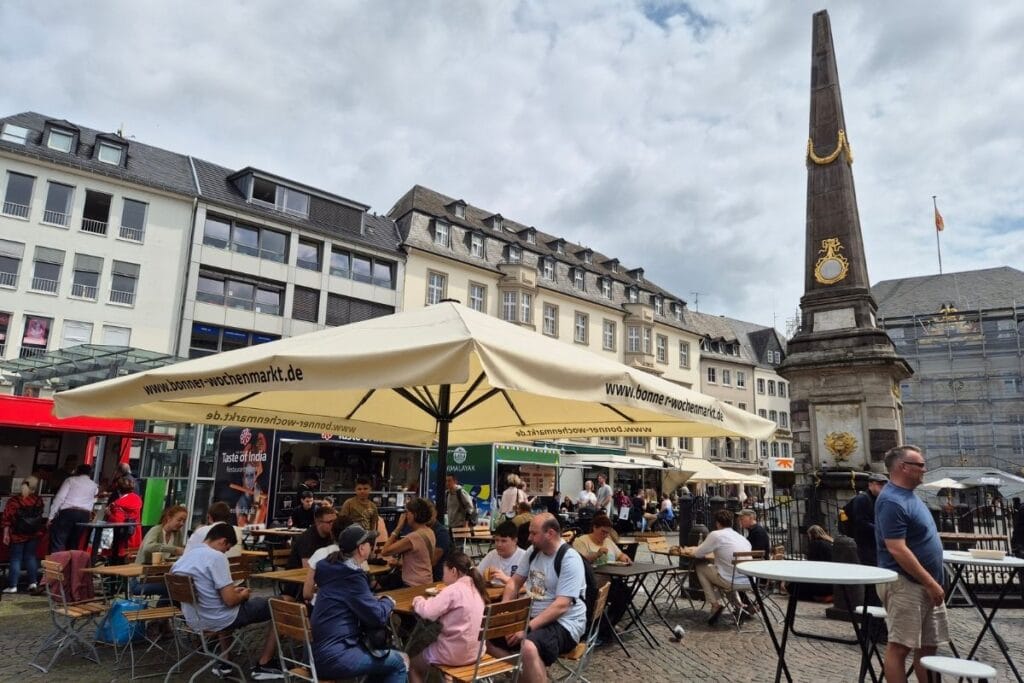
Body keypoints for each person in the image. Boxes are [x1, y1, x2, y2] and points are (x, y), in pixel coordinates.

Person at [170, 523, 285, 680]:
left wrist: (231, 593)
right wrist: (243, 595)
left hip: (193, 619)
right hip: (219, 619)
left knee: (228, 606)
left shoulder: (183, 559)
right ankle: (265, 664)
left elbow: (204, 591)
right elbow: (230, 601)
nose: (226, 552)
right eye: (227, 548)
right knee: (282, 605)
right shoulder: (216, 557)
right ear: (223, 541)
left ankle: (225, 662)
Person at [875, 445, 948, 683]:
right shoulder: (892, 501)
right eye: (920, 465)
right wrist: (929, 582)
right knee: (900, 647)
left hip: (926, 584)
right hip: (906, 583)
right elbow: (897, 548)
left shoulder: (910, 496)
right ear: (903, 467)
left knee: (929, 646)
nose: (924, 469)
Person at [489, 513, 586, 682]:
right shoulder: (533, 551)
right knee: (484, 635)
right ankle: (522, 674)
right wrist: (504, 612)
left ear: (550, 533)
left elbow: (561, 605)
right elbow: (514, 582)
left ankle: (528, 673)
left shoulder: (569, 558)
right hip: (533, 616)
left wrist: (526, 629)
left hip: (565, 623)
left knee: (528, 646)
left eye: (534, 533)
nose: (529, 537)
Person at [310, 524, 408, 682]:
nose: (372, 545)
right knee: (399, 662)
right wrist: (388, 601)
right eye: (370, 542)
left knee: (382, 661)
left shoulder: (330, 569)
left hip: (316, 653)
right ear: (362, 548)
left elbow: (354, 601)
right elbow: (377, 616)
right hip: (337, 655)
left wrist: (371, 601)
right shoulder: (351, 577)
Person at [409, 551, 488, 683]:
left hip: (454, 654)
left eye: (444, 570)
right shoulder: (477, 587)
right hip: (477, 652)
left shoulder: (454, 590)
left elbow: (428, 612)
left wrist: (418, 600)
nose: (442, 575)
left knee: (413, 666)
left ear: (453, 571)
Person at [685, 509, 752, 625]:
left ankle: (715, 604)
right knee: (722, 571)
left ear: (717, 523)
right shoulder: (741, 537)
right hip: (749, 581)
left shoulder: (716, 535)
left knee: (701, 567)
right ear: (731, 522)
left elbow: (699, 554)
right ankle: (739, 605)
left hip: (731, 580)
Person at [572, 513, 630, 638]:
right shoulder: (581, 541)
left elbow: (620, 554)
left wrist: (624, 557)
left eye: (607, 533)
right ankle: (601, 628)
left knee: (625, 592)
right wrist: (596, 554)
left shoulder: (608, 541)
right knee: (604, 595)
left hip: (608, 581)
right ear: (594, 528)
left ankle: (608, 625)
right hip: (591, 584)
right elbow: (580, 561)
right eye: (602, 532)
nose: (604, 535)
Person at [379, 497, 437, 587]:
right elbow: (420, 560)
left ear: (414, 515)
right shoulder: (430, 531)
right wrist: (399, 564)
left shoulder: (414, 537)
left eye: (407, 512)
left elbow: (384, 551)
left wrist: (398, 527)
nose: (405, 516)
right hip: (426, 581)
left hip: (413, 584)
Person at [2, 475, 45, 593]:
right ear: (35, 488)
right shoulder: (38, 500)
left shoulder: (14, 501)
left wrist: (5, 533)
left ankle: (13, 586)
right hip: (34, 533)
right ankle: (33, 583)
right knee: (31, 557)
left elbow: (7, 518)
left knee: (16, 559)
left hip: (17, 534)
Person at [47, 464, 98, 553]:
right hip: (84, 515)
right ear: (90, 473)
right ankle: (71, 565)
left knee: (58, 541)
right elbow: (93, 498)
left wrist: (51, 516)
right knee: (74, 543)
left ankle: (56, 564)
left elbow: (59, 498)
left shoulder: (70, 480)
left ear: (77, 471)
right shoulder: (94, 485)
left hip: (68, 513)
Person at [846, 472, 888, 566]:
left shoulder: (879, 498)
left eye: (885, 485)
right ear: (870, 484)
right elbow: (861, 523)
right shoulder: (862, 499)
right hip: (866, 543)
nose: (883, 487)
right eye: (879, 484)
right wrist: (881, 530)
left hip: (875, 542)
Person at [789, 525, 834, 602]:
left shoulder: (815, 544)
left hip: (821, 579)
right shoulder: (829, 542)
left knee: (794, 586)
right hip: (831, 579)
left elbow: (811, 563)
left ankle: (820, 597)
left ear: (812, 535)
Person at [477, 521, 528, 586]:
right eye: (497, 540)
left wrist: (506, 579)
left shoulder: (524, 557)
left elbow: (530, 586)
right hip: (494, 594)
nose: (499, 545)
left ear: (515, 541)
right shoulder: (492, 554)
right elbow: (477, 574)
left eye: (503, 541)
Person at [106, 476, 142, 563]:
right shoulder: (137, 499)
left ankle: (114, 575)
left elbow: (117, 521)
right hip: (134, 533)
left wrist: (109, 514)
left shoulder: (117, 504)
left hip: (122, 538)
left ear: (119, 490)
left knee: (118, 560)